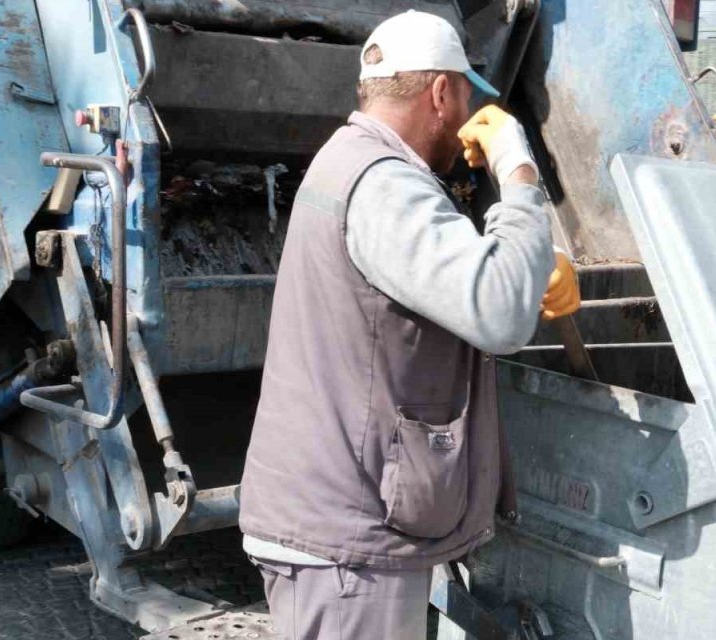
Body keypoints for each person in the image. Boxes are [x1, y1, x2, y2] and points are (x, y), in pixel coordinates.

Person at [237, 10, 579, 639]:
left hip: (343, 531)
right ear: (441, 93)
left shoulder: (354, 163)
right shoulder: (383, 184)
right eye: (467, 97)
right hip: (347, 547)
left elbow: (442, 282)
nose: (469, 118)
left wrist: (528, 261)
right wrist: (517, 169)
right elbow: (501, 314)